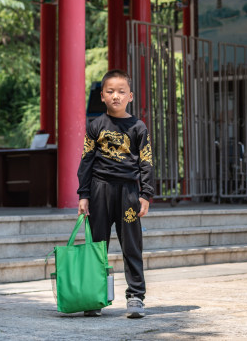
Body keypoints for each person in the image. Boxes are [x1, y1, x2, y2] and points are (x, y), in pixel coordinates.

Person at [77, 70, 155, 317]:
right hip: (99, 191)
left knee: (131, 245)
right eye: (110, 91)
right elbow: (86, 160)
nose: (116, 96)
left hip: (129, 193)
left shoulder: (138, 127)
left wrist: (145, 194)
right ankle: (94, 296)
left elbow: (146, 162)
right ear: (102, 96)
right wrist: (83, 194)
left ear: (130, 96)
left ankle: (135, 297)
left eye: (121, 91)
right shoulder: (95, 126)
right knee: (97, 246)